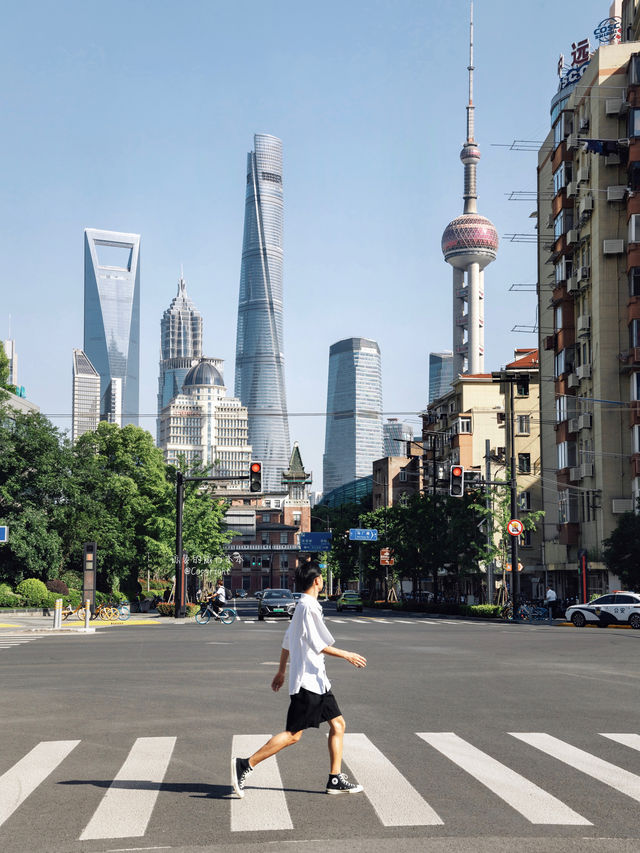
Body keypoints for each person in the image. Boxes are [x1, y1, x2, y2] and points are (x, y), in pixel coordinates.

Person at [231, 561, 367, 798]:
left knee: (338, 724)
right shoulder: (308, 607)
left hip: (319, 681)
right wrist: (347, 655)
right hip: (308, 683)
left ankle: (334, 778)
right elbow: (318, 644)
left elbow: (287, 641)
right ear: (317, 581)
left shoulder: (302, 606)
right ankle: (245, 764)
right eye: (322, 578)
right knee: (293, 734)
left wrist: (281, 671)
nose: (323, 581)